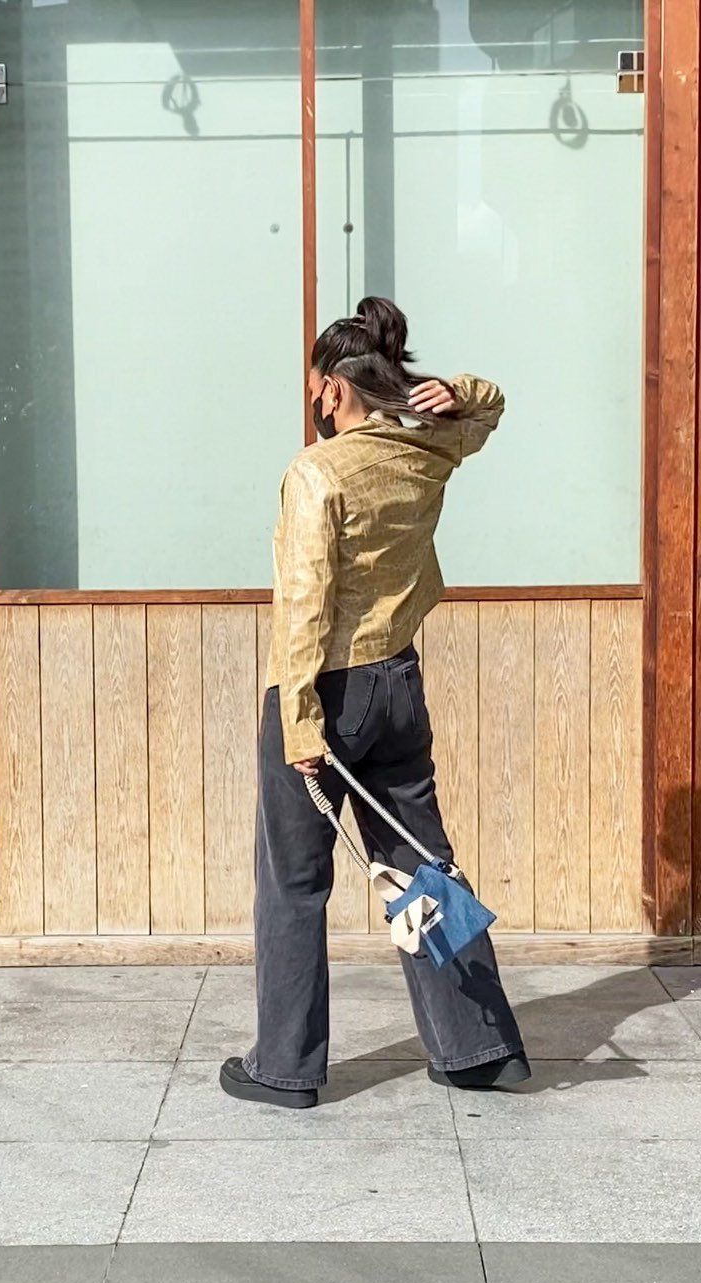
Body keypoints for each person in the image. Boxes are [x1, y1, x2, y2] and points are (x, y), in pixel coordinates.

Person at [220, 297, 529, 1110]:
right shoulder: (424, 448)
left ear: (334, 389)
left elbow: (305, 605)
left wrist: (299, 721)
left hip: (325, 690)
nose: (314, 402)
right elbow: (490, 407)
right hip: (398, 683)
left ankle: (284, 1068)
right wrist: (457, 392)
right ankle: (479, 1049)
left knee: (294, 882)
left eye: (315, 388)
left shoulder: (316, 472)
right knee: (424, 866)